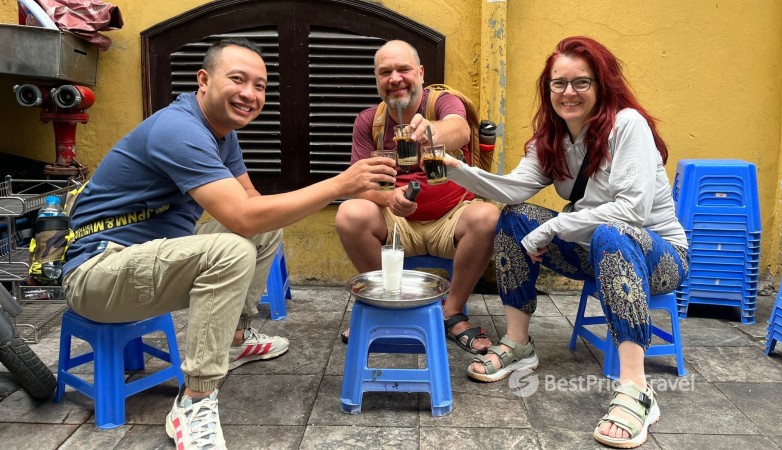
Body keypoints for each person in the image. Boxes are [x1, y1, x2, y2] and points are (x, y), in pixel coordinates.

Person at [62, 38, 395, 450]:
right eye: (237, 80)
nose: (250, 95)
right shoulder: (178, 129)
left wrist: (364, 195)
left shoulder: (220, 133)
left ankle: (234, 341)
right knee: (233, 245)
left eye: (260, 86)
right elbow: (238, 217)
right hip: (96, 272)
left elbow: (254, 209)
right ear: (203, 80)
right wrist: (338, 184)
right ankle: (195, 398)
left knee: (263, 229)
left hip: (145, 257)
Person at [443, 36, 688, 449]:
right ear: (548, 88)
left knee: (613, 232)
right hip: (594, 250)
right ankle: (519, 343)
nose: (569, 92)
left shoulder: (628, 126)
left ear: (601, 84)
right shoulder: (551, 137)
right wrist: (453, 168)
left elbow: (632, 212)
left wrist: (555, 227)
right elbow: (513, 190)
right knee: (516, 218)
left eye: (581, 82)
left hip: (656, 255)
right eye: (559, 83)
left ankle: (636, 389)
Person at [335, 40, 499, 354]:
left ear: (420, 73)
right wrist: (388, 198)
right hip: (397, 224)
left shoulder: (443, 103)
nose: (395, 78)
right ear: (377, 80)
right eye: (385, 72)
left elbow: (460, 130)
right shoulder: (370, 121)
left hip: (452, 217)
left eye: (403, 69)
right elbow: (358, 183)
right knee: (349, 213)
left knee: (488, 216)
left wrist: (431, 133)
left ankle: (452, 313)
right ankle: (385, 305)